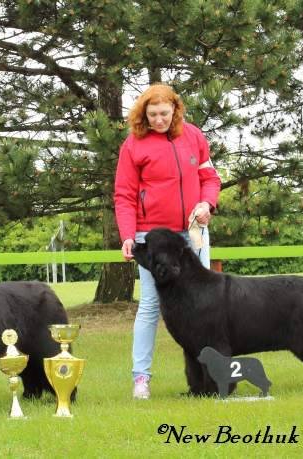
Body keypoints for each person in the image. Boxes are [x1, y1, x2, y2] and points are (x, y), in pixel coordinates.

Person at [114, 83, 222, 400]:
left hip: (193, 234)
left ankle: (209, 375)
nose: (159, 120)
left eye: (164, 113)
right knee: (150, 306)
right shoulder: (133, 144)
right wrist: (128, 236)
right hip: (153, 237)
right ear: (143, 114)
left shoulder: (194, 136)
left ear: (175, 109)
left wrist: (207, 204)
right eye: (152, 114)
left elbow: (210, 178)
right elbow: (124, 195)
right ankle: (141, 379)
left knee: (206, 304)